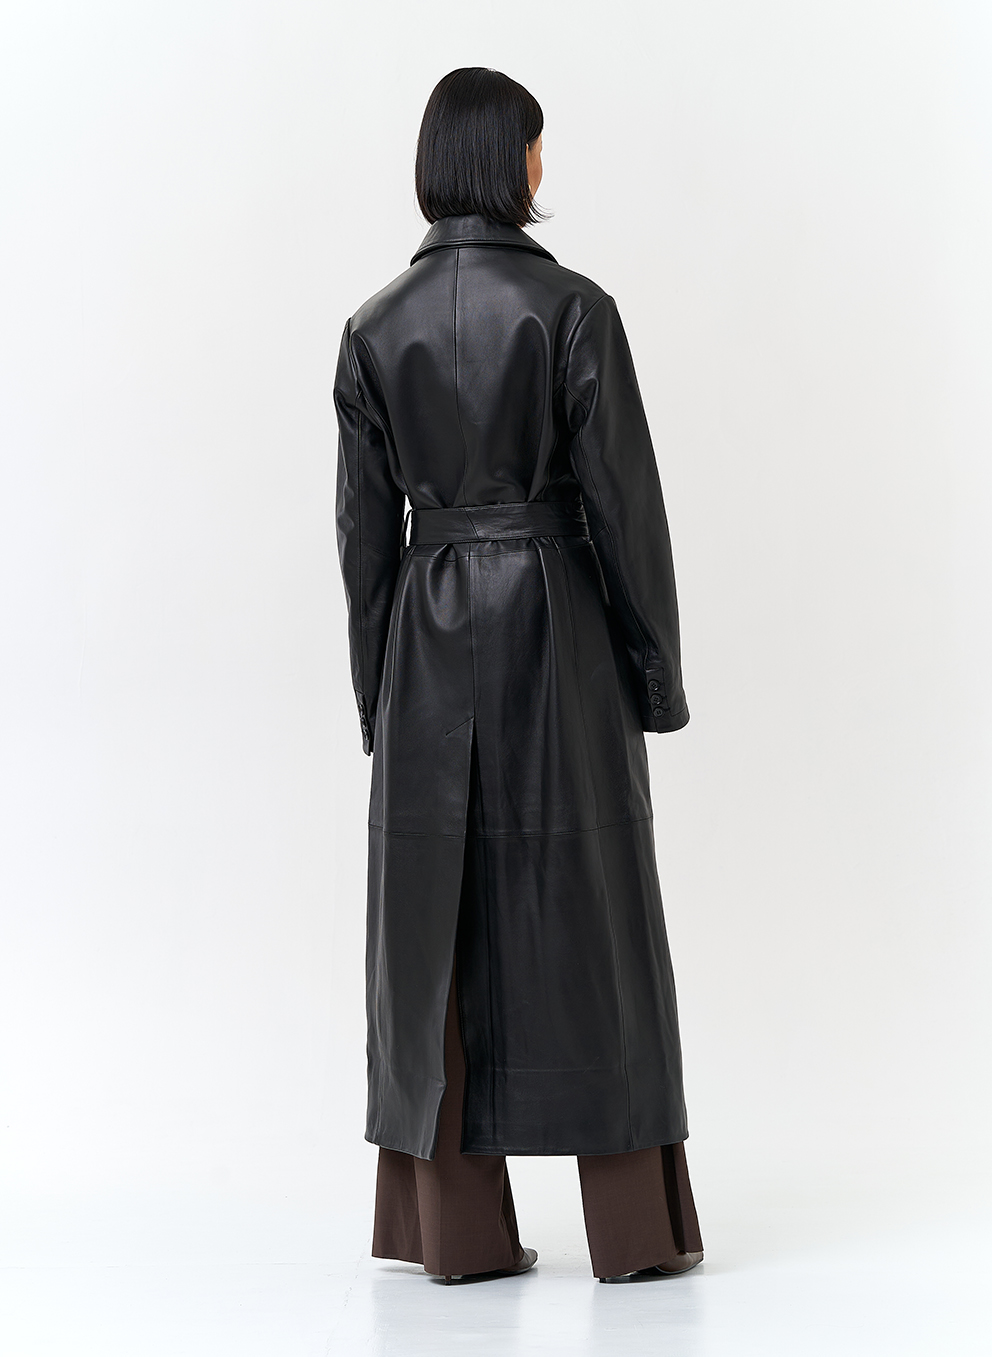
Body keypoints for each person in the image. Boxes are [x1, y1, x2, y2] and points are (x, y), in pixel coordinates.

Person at [334, 66, 703, 1285]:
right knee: (589, 915)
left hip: (426, 633)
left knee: (430, 934)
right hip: (558, 630)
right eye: (538, 146)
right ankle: (633, 1235)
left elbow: (360, 541)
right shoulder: (574, 310)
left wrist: (377, 693)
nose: (545, 163)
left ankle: (455, 1237)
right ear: (515, 163)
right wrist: (654, 674)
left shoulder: (373, 328)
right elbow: (626, 511)